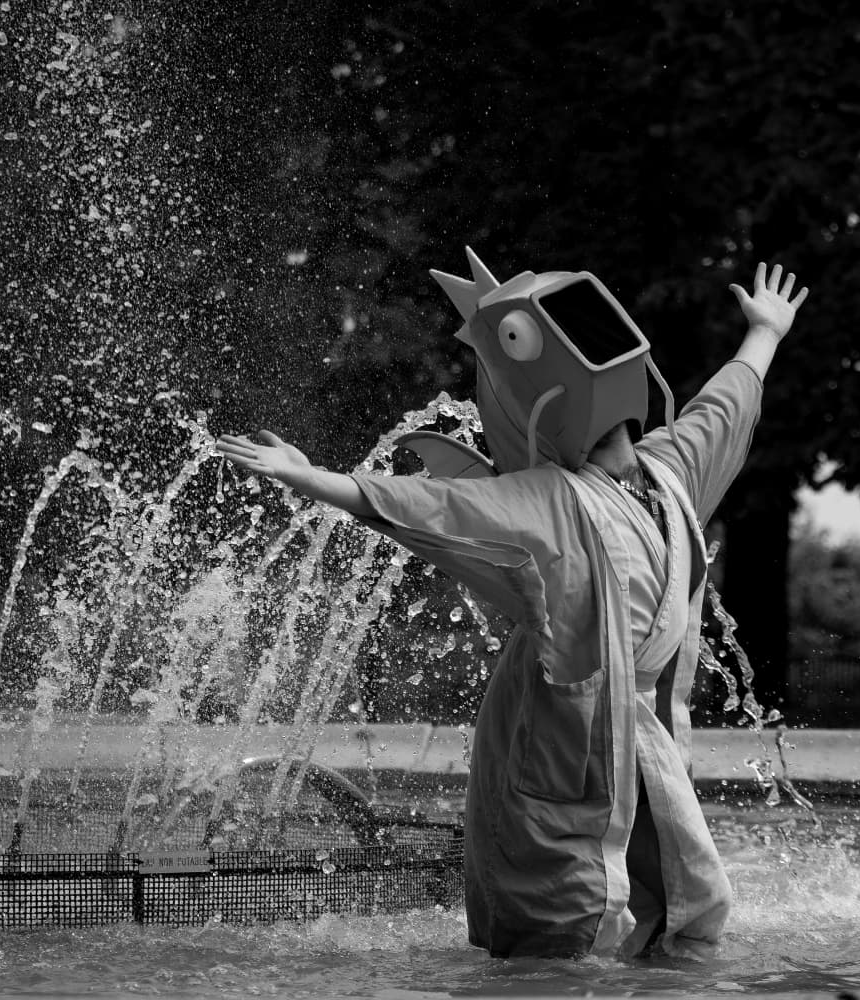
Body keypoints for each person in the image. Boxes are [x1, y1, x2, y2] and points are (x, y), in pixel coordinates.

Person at [216, 252, 808, 958]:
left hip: (632, 724)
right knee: (556, 901)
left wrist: (765, 335)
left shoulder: (663, 476)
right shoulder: (607, 485)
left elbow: (725, 404)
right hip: (563, 725)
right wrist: (313, 479)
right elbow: (435, 504)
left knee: (670, 901)